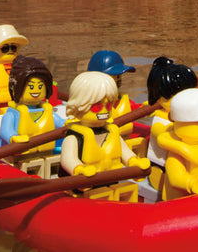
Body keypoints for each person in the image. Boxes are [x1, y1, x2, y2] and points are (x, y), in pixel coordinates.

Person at [59, 71, 150, 202]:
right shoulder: (74, 137)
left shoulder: (111, 132)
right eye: (97, 107)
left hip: (111, 186)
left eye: (108, 106)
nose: (104, 111)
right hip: (80, 192)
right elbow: (67, 159)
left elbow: (124, 151)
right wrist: (79, 169)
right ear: (80, 106)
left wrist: (133, 162)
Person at [0, 56, 64, 177]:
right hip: (20, 159)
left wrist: (66, 124)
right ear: (16, 88)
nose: (36, 91)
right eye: (31, 86)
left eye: (40, 86)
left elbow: (58, 121)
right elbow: (5, 130)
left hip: (48, 154)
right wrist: (13, 137)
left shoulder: (46, 109)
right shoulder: (13, 113)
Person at [144, 57, 198, 193]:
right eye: (176, 96)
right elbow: (169, 138)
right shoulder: (160, 122)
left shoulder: (181, 117)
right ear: (160, 98)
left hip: (185, 170)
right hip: (162, 177)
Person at [87, 50, 143, 151]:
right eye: (115, 76)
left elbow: (132, 108)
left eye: (119, 76)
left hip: (124, 139)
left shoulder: (119, 98)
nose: (119, 79)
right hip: (102, 145)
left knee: (148, 132)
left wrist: (144, 108)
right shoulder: (91, 100)